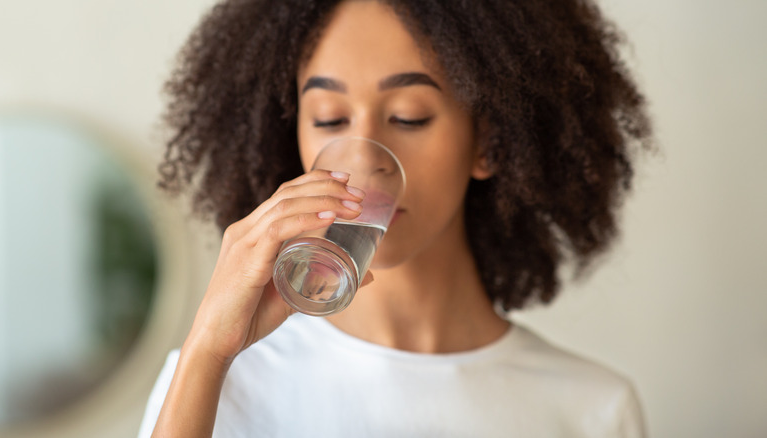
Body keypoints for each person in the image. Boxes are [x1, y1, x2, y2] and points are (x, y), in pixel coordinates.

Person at [139, 0, 652, 436]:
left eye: (409, 115)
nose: (365, 158)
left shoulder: (593, 411)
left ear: (490, 143)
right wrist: (207, 347)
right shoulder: (215, 379)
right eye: (329, 119)